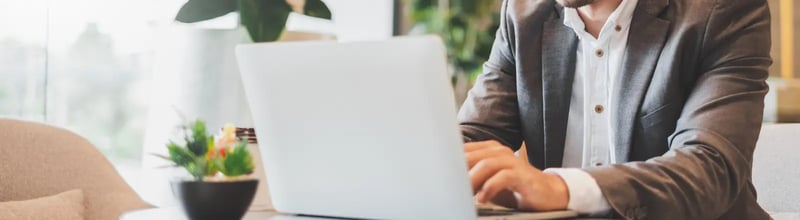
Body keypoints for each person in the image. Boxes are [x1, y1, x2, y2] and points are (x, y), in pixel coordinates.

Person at [459, 0, 772, 219]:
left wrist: (561, 187)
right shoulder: (524, 15)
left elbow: (709, 168)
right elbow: (472, 137)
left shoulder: (723, 11)